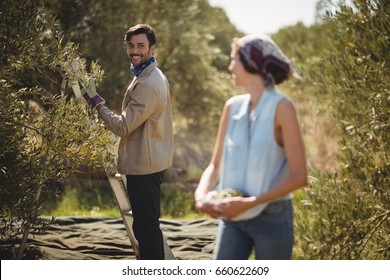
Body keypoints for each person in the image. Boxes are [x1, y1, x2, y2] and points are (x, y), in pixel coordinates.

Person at [194, 34, 307, 260]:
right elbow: (215, 165)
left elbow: (300, 176)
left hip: (272, 220)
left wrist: (249, 203)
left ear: (251, 63)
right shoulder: (231, 107)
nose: (230, 67)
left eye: (234, 59)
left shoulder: (283, 107)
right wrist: (201, 195)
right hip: (233, 221)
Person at [81, 24, 174, 260]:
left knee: (146, 228)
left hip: (145, 164)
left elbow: (123, 127)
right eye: (131, 45)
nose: (135, 50)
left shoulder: (149, 84)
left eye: (141, 46)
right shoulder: (148, 74)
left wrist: (97, 102)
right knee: (145, 225)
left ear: (152, 49)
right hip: (148, 160)